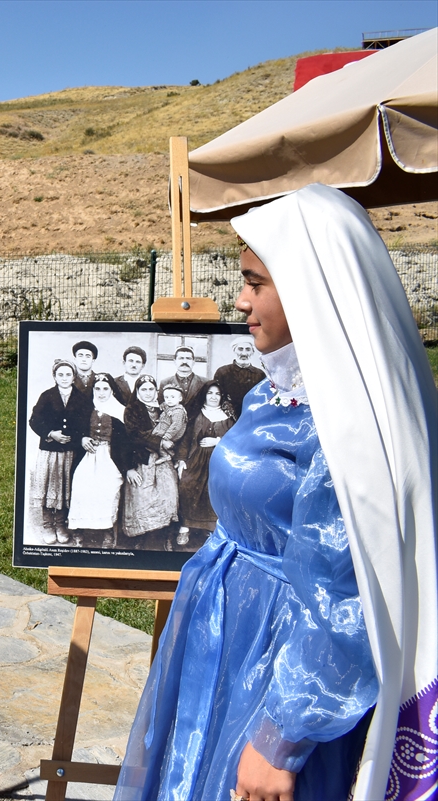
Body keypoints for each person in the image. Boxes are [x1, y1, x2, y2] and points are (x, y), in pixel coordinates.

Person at [115, 185, 436, 801]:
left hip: (275, 664)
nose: (239, 301)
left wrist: (280, 740)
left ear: (313, 290)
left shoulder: (341, 431)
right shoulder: (275, 393)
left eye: (255, 283)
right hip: (230, 642)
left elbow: (345, 598)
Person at [27, 359, 91, 545]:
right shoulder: (47, 396)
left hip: (70, 452)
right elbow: (34, 420)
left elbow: (85, 423)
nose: (64, 378)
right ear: (55, 377)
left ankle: (61, 525)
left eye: (68, 374)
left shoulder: (82, 398)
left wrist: (73, 437)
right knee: (48, 487)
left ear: (74, 377)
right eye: (60, 375)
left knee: (65, 488)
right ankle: (48, 525)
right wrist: (51, 434)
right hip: (50, 451)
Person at [117, 374, 179, 545]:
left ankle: (164, 538)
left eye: (151, 389)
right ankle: (143, 540)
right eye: (143, 389)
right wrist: (128, 468)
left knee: (168, 494)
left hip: (163, 460)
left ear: (156, 391)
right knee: (143, 498)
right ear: (137, 391)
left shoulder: (164, 408)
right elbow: (133, 436)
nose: (147, 393)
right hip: (141, 459)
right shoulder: (132, 410)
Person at [67, 373, 127, 545]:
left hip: (110, 456)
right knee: (82, 485)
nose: (101, 393)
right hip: (88, 455)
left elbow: (124, 441)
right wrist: (82, 439)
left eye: (105, 389)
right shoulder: (86, 408)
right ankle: (81, 531)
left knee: (107, 489)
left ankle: (108, 530)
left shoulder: (119, 411)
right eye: (97, 388)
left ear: (112, 391)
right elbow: (75, 429)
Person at [173, 381, 234, 546]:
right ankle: (185, 528)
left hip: (218, 462)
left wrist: (217, 440)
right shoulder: (196, 414)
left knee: (213, 491)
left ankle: (210, 529)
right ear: (204, 395)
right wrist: (181, 460)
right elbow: (185, 439)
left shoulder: (228, 417)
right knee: (187, 486)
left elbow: (236, 439)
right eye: (210, 393)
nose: (213, 397)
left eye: (217, 394)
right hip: (195, 460)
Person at [212, 337, 265, 419]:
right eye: (240, 349)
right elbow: (216, 396)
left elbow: (262, 399)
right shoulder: (222, 372)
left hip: (252, 417)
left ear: (252, 352)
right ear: (234, 350)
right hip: (226, 418)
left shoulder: (260, 374)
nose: (244, 353)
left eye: (248, 349)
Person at [150, 385, 187, 465]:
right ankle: (172, 457)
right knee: (154, 439)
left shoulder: (178, 411)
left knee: (159, 441)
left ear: (180, 399)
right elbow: (164, 406)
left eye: (172, 397)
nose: (169, 400)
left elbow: (176, 426)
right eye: (166, 397)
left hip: (172, 433)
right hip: (164, 428)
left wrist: (167, 436)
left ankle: (166, 456)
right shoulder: (169, 406)